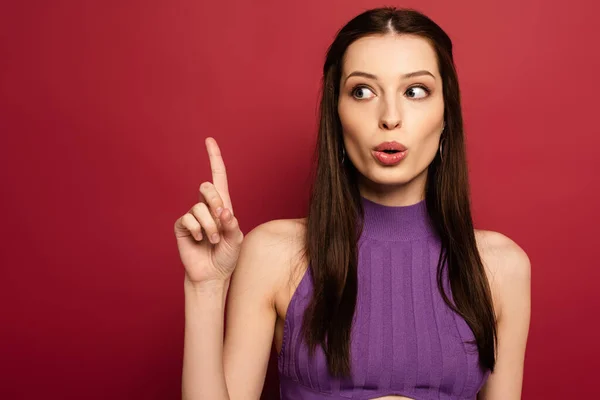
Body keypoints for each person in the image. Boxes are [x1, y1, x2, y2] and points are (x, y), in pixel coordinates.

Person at [174, 7, 531, 400]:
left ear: (446, 114)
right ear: (336, 114)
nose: (390, 117)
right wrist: (205, 288)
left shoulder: (501, 268)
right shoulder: (273, 253)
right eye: (362, 91)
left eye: (415, 91)